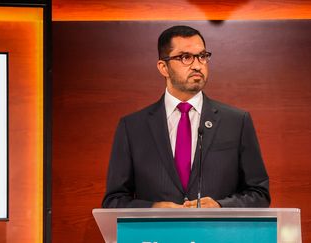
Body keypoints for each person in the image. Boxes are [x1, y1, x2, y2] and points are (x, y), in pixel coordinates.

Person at [102, 25, 270, 208]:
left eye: (202, 56)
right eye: (185, 57)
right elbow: (114, 201)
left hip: (217, 234)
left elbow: (259, 194)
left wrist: (221, 207)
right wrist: (153, 208)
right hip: (158, 235)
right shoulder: (132, 127)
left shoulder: (237, 122)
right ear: (163, 67)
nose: (197, 65)